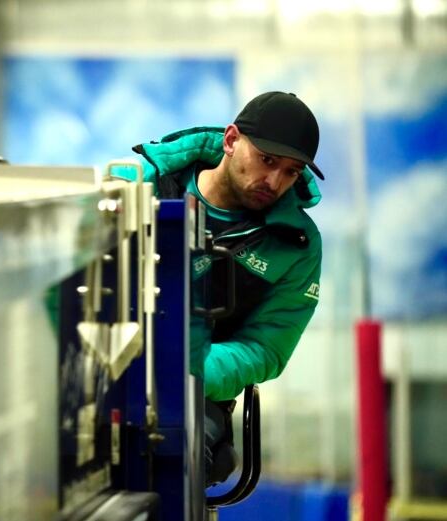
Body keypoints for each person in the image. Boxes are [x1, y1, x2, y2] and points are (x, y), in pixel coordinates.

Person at [115, 91, 324, 485]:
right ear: (231, 141)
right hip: (102, 368)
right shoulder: (136, 188)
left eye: (291, 172)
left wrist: (180, 370)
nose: (275, 181)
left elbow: (266, 348)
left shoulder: (296, 245)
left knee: (171, 458)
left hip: (196, 393)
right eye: (267, 161)